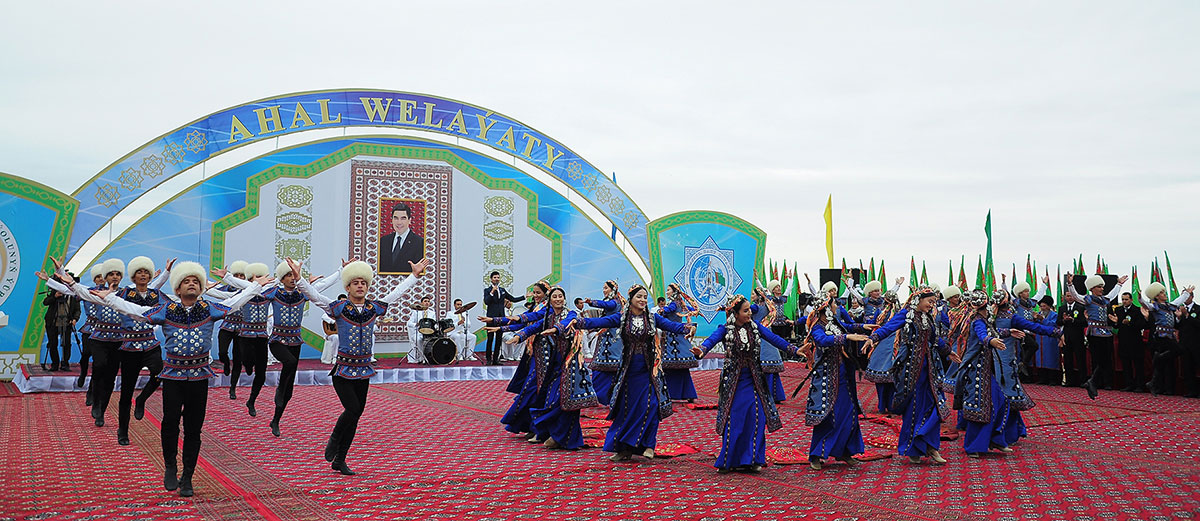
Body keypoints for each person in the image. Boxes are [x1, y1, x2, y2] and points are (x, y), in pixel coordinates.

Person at [53, 259, 269, 497]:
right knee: (169, 424)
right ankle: (170, 466)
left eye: (196, 281)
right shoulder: (165, 311)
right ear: (177, 289)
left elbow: (235, 302)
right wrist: (93, 291)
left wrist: (254, 287)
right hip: (174, 376)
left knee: (194, 429)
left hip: (199, 378)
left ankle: (187, 477)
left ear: (201, 288)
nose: (191, 284)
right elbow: (131, 309)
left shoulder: (209, 309)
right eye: (186, 281)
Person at [291, 256, 432, 475]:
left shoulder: (373, 308)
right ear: (347, 286)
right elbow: (314, 296)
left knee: (356, 415)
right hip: (343, 370)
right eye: (356, 283)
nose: (360, 286)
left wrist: (413, 276)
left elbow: (394, 295)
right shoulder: (338, 308)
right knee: (353, 409)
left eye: (363, 283)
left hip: (364, 370)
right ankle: (334, 439)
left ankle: (340, 459)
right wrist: (300, 280)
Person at [215, 260, 343, 434]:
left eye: (293, 275)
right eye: (288, 275)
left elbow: (321, 286)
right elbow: (248, 286)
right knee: (288, 363)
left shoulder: (302, 294)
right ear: (281, 278)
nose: (291, 278)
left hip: (295, 341)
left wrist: (340, 270)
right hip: (277, 340)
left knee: (289, 388)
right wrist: (229, 277)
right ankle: (279, 390)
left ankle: (276, 419)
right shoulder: (273, 292)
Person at [575, 284, 695, 461]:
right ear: (630, 298)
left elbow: (672, 326)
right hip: (628, 371)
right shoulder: (622, 317)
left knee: (652, 405)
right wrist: (577, 322)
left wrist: (688, 328)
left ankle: (648, 445)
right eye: (639, 296)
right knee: (627, 408)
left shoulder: (652, 318)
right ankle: (624, 448)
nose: (643, 300)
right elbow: (600, 322)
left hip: (649, 370)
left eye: (645, 297)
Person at [694, 294, 801, 473]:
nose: (750, 313)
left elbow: (774, 339)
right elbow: (710, 340)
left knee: (756, 416)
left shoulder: (755, 327)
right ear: (735, 313)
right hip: (733, 383)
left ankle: (754, 459)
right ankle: (730, 459)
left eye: (749, 309)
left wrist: (795, 350)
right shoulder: (725, 329)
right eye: (745, 310)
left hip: (754, 381)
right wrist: (701, 350)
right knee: (735, 419)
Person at [950, 290, 1060, 457]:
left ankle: (996, 439)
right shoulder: (978, 320)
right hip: (977, 371)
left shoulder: (988, 319)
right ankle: (974, 446)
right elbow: (983, 335)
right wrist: (991, 340)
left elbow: (993, 332)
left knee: (1000, 403)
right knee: (980, 408)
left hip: (990, 369)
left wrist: (1008, 333)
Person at [864, 285, 950, 464]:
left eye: (934, 302)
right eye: (929, 301)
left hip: (931, 368)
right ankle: (914, 448)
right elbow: (888, 327)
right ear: (919, 300)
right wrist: (873, 338)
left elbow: (934, 339)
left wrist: (947, 351)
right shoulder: (906, 315)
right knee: (914, 408)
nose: (932, 305)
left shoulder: (929, 317)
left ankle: (931, 446)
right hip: (911, 369)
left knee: (935, 403)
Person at [511, 286, 596, 450]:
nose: (558, 299)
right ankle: (562, 437)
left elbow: (566, 324)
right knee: (553, 399)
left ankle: (559, 436)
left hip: (570, 364)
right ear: (549, 300)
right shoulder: (548, 317)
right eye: (555, 296)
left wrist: (556, 329)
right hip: (554, 364)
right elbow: (531, 325)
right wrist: (518, 335)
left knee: (564, 400)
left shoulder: (570, 314)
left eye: (560, 296)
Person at [798, 281, 871, 470]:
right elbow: (822, 341)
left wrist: (864, 326)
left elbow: (848, 325)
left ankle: (845, 451)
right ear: (826, 308)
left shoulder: (834, 323)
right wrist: (846, 338)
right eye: (834, 304)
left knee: (848, 413)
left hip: (843, 375)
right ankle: (816, 454)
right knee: (826, 416)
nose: (838, 306)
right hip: (826, 378)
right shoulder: (817, 327)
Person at [1065, 273, 1127, 399]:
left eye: (1102, 287)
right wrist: (1070, 284)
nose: (1102, 289)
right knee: (1100, 359)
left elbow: (1112, 294)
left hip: (1105, 332)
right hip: (1094, 332)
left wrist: (1119, 284)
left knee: (1106, 360)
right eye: (1099, 287)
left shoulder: (1104, 300)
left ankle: (1092, 381)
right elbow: (1076, 296)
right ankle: (1093, 381)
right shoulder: (1088, 299)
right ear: (1092, 288)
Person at [226, 262, 273, 411]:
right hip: (245, 335)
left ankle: (252, 400)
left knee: (262, 372)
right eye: (255, 277)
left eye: (261, 277)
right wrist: (227, 276)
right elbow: (230, 288)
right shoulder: (243, 292)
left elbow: (282, 282)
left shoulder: (269, 293)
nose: (259, 279)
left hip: (262, 336)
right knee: (245, 360)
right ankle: (244, 368)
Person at [583, 281, 624, 405]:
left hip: (611, 339)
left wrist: (591, 302)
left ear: (613, 289)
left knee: (607, 366)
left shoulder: (615, 302)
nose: (604, 290)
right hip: (609, 338)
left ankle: (607, 396)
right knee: (606, 367)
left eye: (606, 288)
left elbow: (607, 305)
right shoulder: (616, 301)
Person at [660, 283, 699, 402]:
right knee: (681, 369)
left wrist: (660, 311)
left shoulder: (673, 304)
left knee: (669, 367)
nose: (667, 292)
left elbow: (668, 310)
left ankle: (669, 394)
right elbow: (691, 309)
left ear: (674, 292)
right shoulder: (681, 303)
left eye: (668, 290)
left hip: (672, 339)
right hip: (679, 337)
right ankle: (688, 394)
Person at [76, 264, 105, 405]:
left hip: (102, 330)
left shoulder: (110, 293)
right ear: (94, 279)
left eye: (102, 277)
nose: (100, 279)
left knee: (98, 364)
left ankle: (91, 391)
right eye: (98, 277)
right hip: (88, 327)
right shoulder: (87, 292)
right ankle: (82, 373)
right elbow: (71, 290)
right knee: (86, 353)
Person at [483, 272, 524, 365]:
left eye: (498, 277)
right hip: (491, 318)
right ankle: (489, 359)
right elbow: (486, 301)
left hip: (501, 318)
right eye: (495, 277)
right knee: (490, 339)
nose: (497, 279)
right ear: (491, 279)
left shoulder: (503, 290)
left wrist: (524, 297)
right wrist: (492, 291)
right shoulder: (487, 290)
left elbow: (513, 299)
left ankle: (496, 359)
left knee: (498, 339)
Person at [215, 260, 247, 376]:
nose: (239, 278)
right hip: (227, 325)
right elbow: (214, 291)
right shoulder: (226, 289)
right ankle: (226, 363)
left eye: (241, 275)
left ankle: (232, 389)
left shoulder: (249, 290)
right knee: (222, 353)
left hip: (241, 328)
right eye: (236, 275)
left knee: (238, 358)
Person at [42, 275, 80, 371]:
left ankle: (65, 364)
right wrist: (54, 296)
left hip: (67, 323)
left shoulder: (73, 295)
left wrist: (75, 319)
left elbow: (77, 310)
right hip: (52, 322)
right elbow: (45, 302)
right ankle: (55, 364)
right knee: (52, 343)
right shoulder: (54, 291)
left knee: (66, 344)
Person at [1113, 292, 1148, 392]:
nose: (1124, 301)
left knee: (1138, 365)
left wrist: (1130, 323)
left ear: (1131, 300)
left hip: (1135, 341)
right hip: (1123, 341)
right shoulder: (1118, 310)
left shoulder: (1137, 310)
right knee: (1126, 364)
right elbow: (1117, 326)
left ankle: (1139, 385)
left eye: (1126, 299)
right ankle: (1129, 384)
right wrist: (1115, 322)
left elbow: (1142, 325)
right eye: (1123, 299)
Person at [378, 202, 424, 273]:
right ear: (392, 220)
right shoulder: (383, 241)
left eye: (403, 218)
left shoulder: (419, 243)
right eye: (396, 218)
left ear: (409, 220)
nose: (399, 222)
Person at [1057, 291, 1087, 387]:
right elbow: (1058, 322)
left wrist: (1073, 320)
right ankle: (1069, 381)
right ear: (1065, 297)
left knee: (1080, 359)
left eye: (1071, 296)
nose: (1069, 298)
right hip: (1066, 337)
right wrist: (1064, 320)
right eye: (1067, 296)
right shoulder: (1062, 308)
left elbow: (1084, 322)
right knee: (1067, 359)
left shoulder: (1081, 308)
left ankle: (1083, 381)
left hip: (1078, 337)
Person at [1033, 296, 1062, 385]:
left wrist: (1043, 320)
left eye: (1044, 306)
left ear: (1049, 306)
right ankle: (1042, 378)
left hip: (1050, 340)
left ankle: (1053, 379)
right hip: (1040, 340)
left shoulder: (1055, 315)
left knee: (1051, 359)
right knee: (1040, 359)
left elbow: (1053, 325)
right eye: (1041, 306)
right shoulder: (1038, 314)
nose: (1042, 308)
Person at [1177, 292, 1199, 397]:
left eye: (1187, 296)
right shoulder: (1179, 309)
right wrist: (1179, 318)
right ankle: (1191, 391)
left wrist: (1187, 315)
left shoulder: (1198, 309)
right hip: (1184, 344)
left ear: (1192, 297)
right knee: (1187, 368)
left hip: (1196, 344)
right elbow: (1177, 326)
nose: (1185, 299)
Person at [406, 295, 438, 364]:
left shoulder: (432, 313)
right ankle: (422, 357)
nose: (427, 303)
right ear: (421, 303)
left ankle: (431, 357)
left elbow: (434, 323)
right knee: (418, 339)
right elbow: (409, 323)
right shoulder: (416, 312)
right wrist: (416, 324)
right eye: (425, 301)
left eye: (428, 301)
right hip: (419, 332)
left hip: (429, 333)